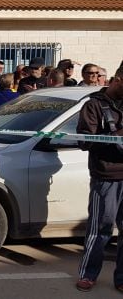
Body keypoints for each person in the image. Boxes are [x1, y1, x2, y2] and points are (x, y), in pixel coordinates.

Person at [75, 64, 123, 292]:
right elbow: (84, 141)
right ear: (118, 79)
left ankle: (121, 278)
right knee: (100, 229)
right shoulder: (93, 105)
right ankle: (88, 274)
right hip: (106, 176)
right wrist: (115, 137)